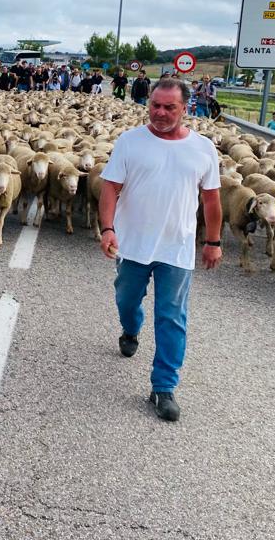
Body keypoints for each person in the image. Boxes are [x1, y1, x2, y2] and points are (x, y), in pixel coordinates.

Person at [97, 78, 222, 422]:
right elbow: (110, 189)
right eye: (155, 105)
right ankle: (131, 327)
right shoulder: (129, 142)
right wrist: (107, 228)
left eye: (170, 107)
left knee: (172, 317)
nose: (161, 113)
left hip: (177, 247)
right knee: (126, 299)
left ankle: (163, 387)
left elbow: (211, 200)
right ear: (148, 104)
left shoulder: (203, 148)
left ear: (185, 108)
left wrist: (212, 242)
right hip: (132, 243)